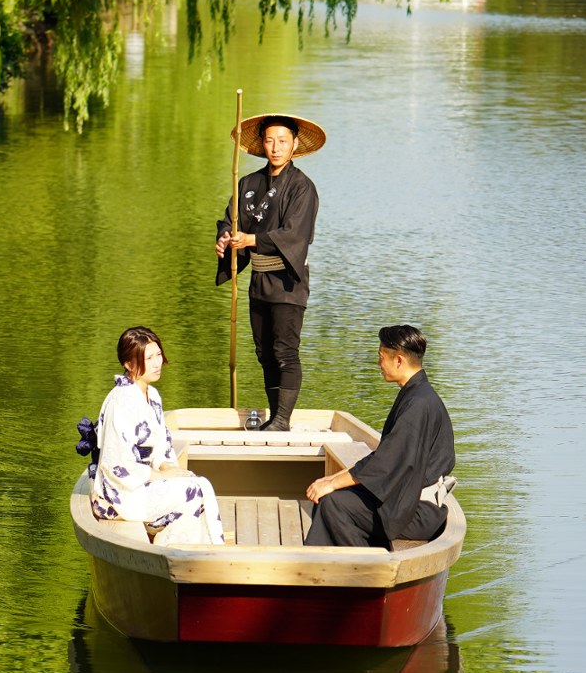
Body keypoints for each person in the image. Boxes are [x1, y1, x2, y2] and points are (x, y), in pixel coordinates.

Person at [215, 112, 324, 432]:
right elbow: (229, 221)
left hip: (288, 282)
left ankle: (282, 419)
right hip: (260, 281)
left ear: (294, 145)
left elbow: (296, 235)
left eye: (282, 141)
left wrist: (252, 239)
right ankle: (276, 416)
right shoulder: (247, 184)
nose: (275, 147)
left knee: (284, 350)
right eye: (269, 140)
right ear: (261, 145)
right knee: (264, 351)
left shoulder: (302, 187)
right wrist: (224, 239)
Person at [305, 325, 455, 548]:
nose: (378, 364)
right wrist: (331, 480)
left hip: (417, 509)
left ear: (399, 360)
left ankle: (363, 571)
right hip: (406, 498)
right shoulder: (417, 394)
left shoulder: (418, 403)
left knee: (333, 504)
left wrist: (334, 483)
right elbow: (386, 457)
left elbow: (386, 464)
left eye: (381, 357)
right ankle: (335, 568)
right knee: (332, 495)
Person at [90, 327, 227, 547]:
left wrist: (167, 468)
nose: (157, 363)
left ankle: (185, 551)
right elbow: (117, 465)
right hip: (121, 493)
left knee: (194, 482)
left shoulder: (152, 395)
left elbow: (161, 445)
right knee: (196, 489)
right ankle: (181, 552)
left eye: (158, 355)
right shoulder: (121, 402)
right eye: (149, 358)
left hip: (145, 481)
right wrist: (161, 476)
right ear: (129, 364)